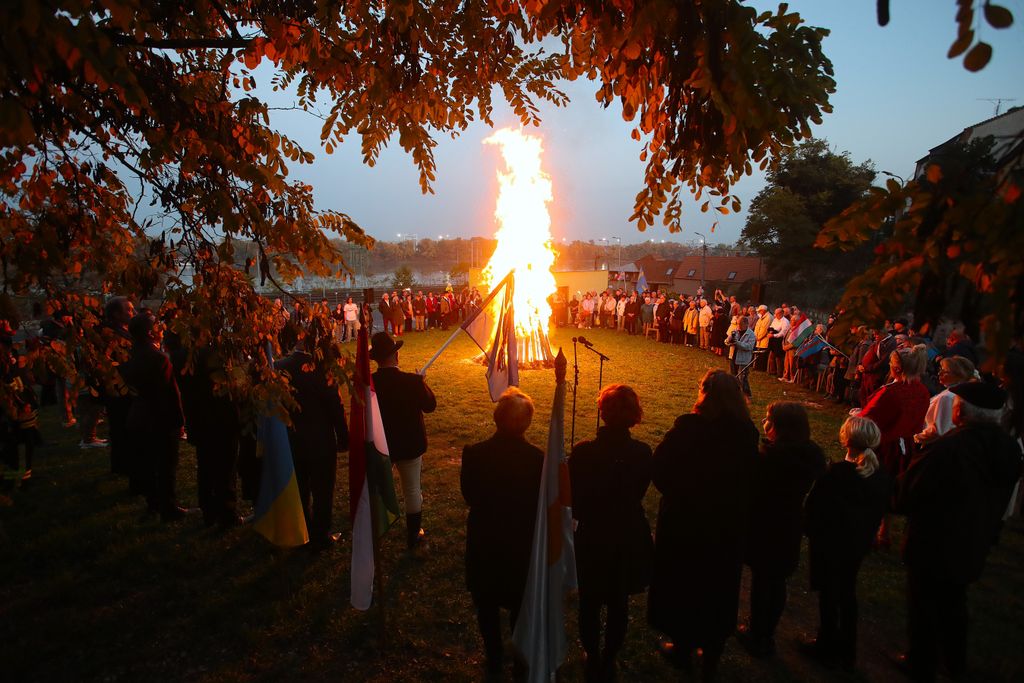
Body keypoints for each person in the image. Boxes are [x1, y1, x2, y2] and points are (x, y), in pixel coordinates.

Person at [894, 382, 1022, 682]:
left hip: (935, 538)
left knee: (923, 602)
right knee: (954, 602)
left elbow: (910, 491)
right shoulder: (1008, 449)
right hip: (975, 539)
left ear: (961, 411)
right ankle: (954, 660)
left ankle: (920, 662)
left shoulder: (951, 447)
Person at [649, 370, 759, 680]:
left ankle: (684, 647)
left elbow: (659, 468)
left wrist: (679, 493)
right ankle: (710, 653)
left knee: (687, 582)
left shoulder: (690, 428)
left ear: (705, 393)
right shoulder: (746, 433)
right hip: (725, 526)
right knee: (717, 586)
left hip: (689, 523)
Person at [570, 385, 653, 681]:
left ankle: (595, 656)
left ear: (602, 412)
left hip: (594, 536)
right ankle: (605, 659)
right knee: (618, 602)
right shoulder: (643, 453)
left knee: (590, 602)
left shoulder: (583, 453)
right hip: (626, 533)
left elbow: (574, 498)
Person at [461, 387, 543, 678]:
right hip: (520, 544)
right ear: (527, 423)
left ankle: (495, 655)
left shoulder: (475, 454)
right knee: (520, 605)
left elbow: (469, 495)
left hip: (486, 541)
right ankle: (517, 659)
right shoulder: (538, 460)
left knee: (487, 602)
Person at [803, 416, 892, 670]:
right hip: (857, 545)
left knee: (830, 595)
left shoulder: (837, 474)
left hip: (832, 544)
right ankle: (846, 648)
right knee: (847, 593)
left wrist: (811, 530)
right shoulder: (881, 475)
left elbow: (814, 507)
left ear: (846, 439)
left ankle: (827, 644)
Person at [739, 402, 826, 658]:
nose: (765, 423)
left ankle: (757, 634)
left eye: (768, 419)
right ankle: (767, 633)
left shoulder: (771, 458)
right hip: (790, 524)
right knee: (776, 581)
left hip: (766, 523)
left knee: (763, 580)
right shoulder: (810, 456)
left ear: (780, 426)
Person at [276, 322, 349, 550]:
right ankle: (320, 533)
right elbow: (334, 405)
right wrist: (343, 437)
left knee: (300, 486)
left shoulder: (280, 366)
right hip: (320, 439)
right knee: (322, 488)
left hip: (293, 438)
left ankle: (303, 529)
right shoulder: (320, 368)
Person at [370, 331, 437, 552]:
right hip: (409, 444)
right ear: (396, 356)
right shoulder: (411, 381)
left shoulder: (371, 384)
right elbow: (430, 405)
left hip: (382, 446)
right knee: (411, 490)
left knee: (377, 489)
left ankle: (376, 528)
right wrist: (422, 383)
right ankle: (413, 536)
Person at [859, 344, 931, 548]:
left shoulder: (890, 392)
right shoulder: (922, 390)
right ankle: (885, 530)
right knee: (891, 487)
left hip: (884, 445)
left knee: (874, 487)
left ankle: (872, 532)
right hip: (907, 446)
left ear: (897, 369)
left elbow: (870, 418)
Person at [120, 311, 186, 521]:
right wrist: (180, 421)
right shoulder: (157, 358)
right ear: (150, 333)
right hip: (160, 419)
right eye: (157, 326)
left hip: (139, 416)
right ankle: (169, 507)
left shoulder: (132, 353)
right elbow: (169, 393)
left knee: (149, 463)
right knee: (166, 466)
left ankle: (154, 503)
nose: (161, 329)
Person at [914, 355, 976, 446]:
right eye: (940, 369)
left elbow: (939, 430)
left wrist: (915, 437)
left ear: (958, 375)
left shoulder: (947, 397)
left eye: (944, 371)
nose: (939, 373)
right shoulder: (961, 392)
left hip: (936, 447)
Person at [725, 315, 757, 397]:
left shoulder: (751, 335)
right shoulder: (735, 331)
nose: (738, 326)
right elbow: (726, 342)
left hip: (743, 360)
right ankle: (735, 394)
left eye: (740, 324)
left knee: (742, 378)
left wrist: (737, 343)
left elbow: (749, 347)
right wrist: (729, 341)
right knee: (733, 377)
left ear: (746, 324)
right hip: (733, 357)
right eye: (737, 324)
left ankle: (747, 395)